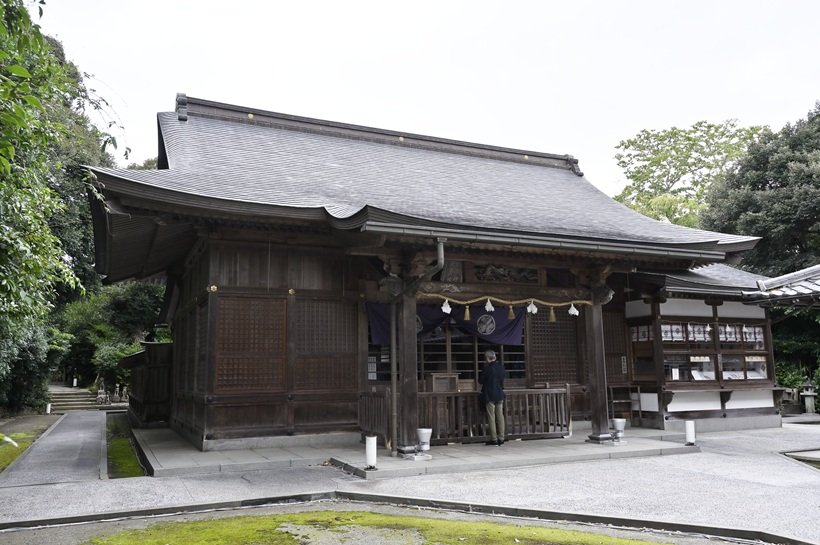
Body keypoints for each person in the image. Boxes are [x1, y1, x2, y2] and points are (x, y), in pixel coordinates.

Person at [478, 349, 505, 446]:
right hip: (500, 393)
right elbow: (502, 381)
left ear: (487, 358)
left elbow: (480, 381)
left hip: (490, 395)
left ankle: (494, 439)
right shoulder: (501, 367)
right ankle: (501, 438)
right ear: (495, 357)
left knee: (491, 417)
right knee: (500, 416)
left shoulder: (487, 369)